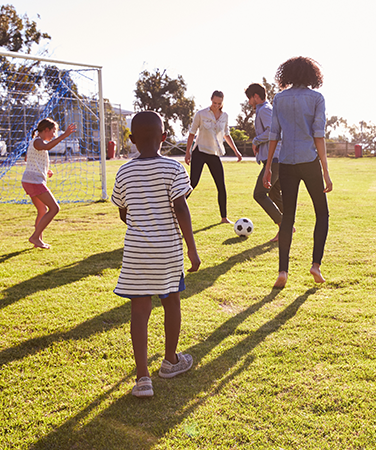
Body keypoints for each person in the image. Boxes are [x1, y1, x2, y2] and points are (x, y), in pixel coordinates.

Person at [112, 111, 200, 398]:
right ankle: (171, 360)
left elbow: (123, 212)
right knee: (171, 302)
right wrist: (192, 248)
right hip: (168, 251)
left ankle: (142, 378)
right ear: (164, 137)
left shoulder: (124, 171)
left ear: (132, 140)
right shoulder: (174, 169)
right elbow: (181, 208)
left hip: (137, 251)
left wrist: (142, 226)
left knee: (139, 311)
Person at [264, 57, 333, 289]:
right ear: (312, 75)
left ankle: (282, 271)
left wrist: (266, 170)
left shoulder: (279, 99)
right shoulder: (316, 99)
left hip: (286, 163)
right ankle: (315, 264)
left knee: (288, 217)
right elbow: (319, 135)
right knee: (322, 214)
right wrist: (325, 170)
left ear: (288, 74)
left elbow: (274, 134)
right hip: (309, 161)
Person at [184, 91, 243, 224]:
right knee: (193, 182)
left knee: (221, 185)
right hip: (200, 151)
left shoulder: (225, 116)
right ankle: (176, 207)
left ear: (222, 102)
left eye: (219, 103)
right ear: (211, 100)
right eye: (214, 103)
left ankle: (224, 218)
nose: (216, 105)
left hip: (214, 154)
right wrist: (188, 152)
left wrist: (236, 151)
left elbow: (226, 135)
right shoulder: (201, 114)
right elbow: (192, 134)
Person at [21, 118, 75, 249]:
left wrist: (45, 170)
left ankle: (37, 240)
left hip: (30, 180)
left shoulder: (35, 142)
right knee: (54, 208)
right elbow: (46, 147)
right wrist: (65, 135)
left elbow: (29, 158)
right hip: (34, 181)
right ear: (46, 130)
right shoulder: (38, 142)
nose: (54, 135)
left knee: (42, 210)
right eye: (53, 131)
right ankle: (35, 237)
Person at [246, 83, 284, 242]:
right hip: (275, 159)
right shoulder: (264, 110)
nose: (249, 102)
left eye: (249, 98)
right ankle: (288, 225)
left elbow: (273, 131)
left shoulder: (265, 110)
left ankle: (284, 225)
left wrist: (256, 140)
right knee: (275, 194)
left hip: (274, 159)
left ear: (256, 97)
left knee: (259, 194)